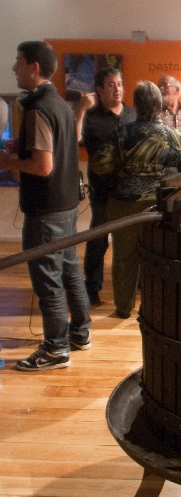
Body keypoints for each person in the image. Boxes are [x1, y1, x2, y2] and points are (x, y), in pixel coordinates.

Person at [0, 41, 91, 371]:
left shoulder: (38, 108)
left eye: (18, 62)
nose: (14, 69)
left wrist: (8, 161)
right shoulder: (61, 105)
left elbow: (42, 166)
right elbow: (56, 148)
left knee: (48, 282)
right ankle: (80, 333)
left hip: (46, 211)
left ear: (34, 67)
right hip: (65, 206)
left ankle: (55, 349)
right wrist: (21, 147)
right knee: (70, 273)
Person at [91, 81, 181, 318]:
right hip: (162, 208)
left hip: (124, 205)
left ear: (136, 105)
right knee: (161, 257)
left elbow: (99, 165)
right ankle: (160, 308)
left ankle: (123, 308)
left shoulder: (122, 134)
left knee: (124, 258)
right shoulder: (174, 136)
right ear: (159, 105)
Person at [75, 68, 136, 305]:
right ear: (99, 90)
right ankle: (92, 288)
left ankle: (132, 286)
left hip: (129, 192)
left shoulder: (132, 114)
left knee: (130, 243)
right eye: (111, 85)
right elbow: (74, 139)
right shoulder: (91, 116)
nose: (117, 89)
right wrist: (81, 110)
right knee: (98, 240)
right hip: (102, 192)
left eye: (119, 84)